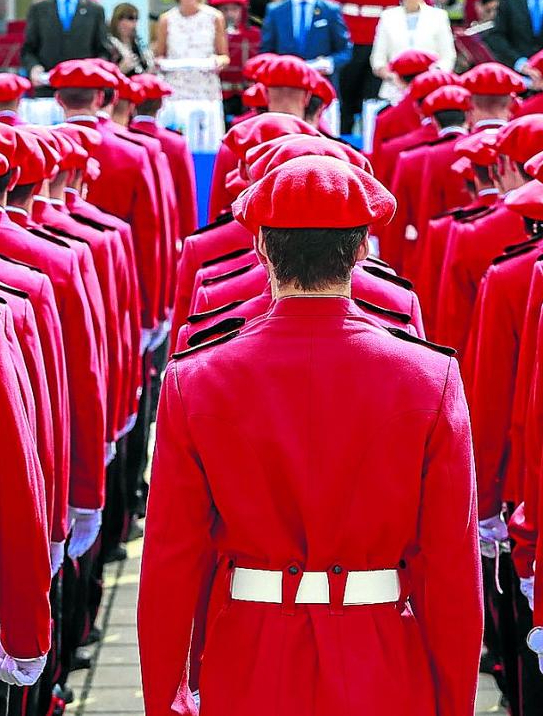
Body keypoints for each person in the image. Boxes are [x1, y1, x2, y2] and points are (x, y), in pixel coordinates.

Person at [139, 155, 481, 716]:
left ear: (261, 248)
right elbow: (451, 570)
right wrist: (454, 703)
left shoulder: (195, 377)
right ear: (363, 250)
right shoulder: (429, 376)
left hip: (250, 661)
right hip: (381, 661)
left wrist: (165, 700)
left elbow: (171, 563)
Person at [327, 0, 414, 134]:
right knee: (377, 101)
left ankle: (344, 139)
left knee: (346, 101)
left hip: (353, 33)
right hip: (388, 36)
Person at [260, 0, 351, 91]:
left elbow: (345, 50)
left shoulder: (331, 10)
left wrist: (329, 62)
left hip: (320, 86)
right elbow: (266, 51)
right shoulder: (275, 11)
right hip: (285, 86)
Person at [23, 0, 112, 91]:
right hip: (47, 88)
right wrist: (34, 68)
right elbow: (28, 49)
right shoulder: (38, 8)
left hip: (83, 90)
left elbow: (103, 51)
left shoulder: (95, 10)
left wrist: (94, 69)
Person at [371, 0, 456, 101]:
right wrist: (393, 77)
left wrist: (431, 75)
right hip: (394, 88)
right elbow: (378, 59)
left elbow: (448, 56)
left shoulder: (439, 16)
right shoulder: (388, 17)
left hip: (431, 88)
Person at [153, 0, 228, 104]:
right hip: (175, 90)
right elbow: (159, 55)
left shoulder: (214, 17)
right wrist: (161, 63)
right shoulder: (166, 19)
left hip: (206, 90)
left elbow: (224, 56)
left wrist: (217, 62)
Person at [210, 0, 261, 118]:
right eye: (225, 10)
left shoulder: (254, 34)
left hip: (245, 93)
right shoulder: (210, 34)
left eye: (234, 9)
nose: (230, 14)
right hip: (220, 93)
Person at [109, 2, 153, 75]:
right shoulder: (110, 44)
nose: (134, 22)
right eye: (130, 18)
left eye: (136, 18)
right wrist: (120, 70)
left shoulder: (137, 42)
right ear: (118, 21)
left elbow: (146, 67)